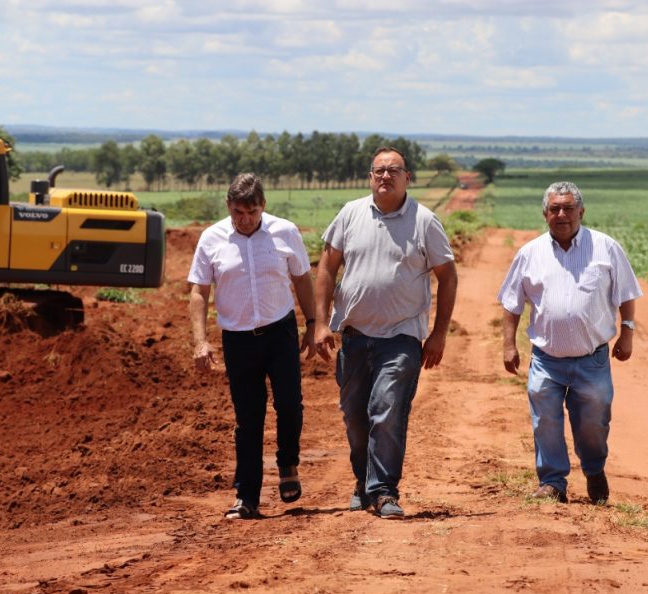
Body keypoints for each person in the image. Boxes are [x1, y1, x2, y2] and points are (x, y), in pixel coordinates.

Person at [314, 147, 458, 519]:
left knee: (387, 410)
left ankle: (384, 491)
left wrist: (438, 334)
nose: (385, 176)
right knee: (355, 415)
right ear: (370, 176)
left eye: (393, 170)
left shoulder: (425, 221)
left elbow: (447, 276)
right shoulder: (350, 214)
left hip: (401, 337)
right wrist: (318, 322)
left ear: (407, 178)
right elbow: (327, 268)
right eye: (378, 170)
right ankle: (364, 483)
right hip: (354, 334)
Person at [497, 181, 642, 504]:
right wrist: (509, 345)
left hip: (592, 359)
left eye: (568, 208)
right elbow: (511, 304)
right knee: (545, 420)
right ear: (545, 213)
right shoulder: (529, 254)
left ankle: (593, 470)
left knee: (594, 422)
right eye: (554, 209)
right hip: (546, 358)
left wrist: (627, 331)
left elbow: (626, 294)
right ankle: (552, 482)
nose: (561, 214)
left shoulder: (605, 248)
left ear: (581, 211)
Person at [188, 173, 318, 520]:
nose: (245, 220)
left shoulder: (285, 232)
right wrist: (200, 341)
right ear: (228, 208)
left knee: (290, 405)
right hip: (238, 339)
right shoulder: (211, 238)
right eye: (237, 212)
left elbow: (302, 278)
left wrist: (313, 324)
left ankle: (288, 464)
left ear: (264, 206)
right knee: (249, 420)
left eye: (252, 212)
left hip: (280, 331)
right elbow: (199, 292)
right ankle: (247, 497)